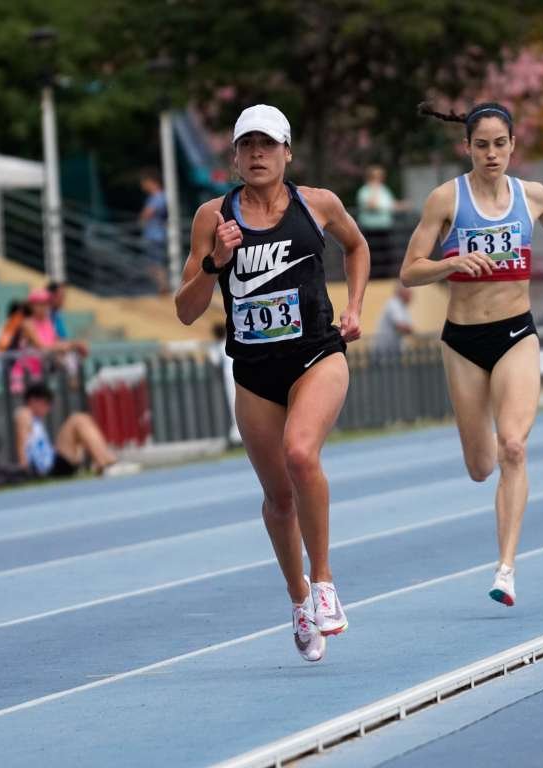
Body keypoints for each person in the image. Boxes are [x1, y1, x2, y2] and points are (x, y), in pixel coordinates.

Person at [175, 104, 370, 663]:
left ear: (287, 152)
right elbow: (186, 311)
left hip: (317, 355)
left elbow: (356, 247)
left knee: (301, 455)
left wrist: (355, 307)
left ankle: (326, 581)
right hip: (255, 372)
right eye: (247, 146)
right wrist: (215, 262)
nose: (257, 154)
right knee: (278, 499)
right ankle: (299, 599)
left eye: (268, 144)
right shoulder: (213, 216)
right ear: (234, 157)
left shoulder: (319, 204)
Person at [400, 101, 543, 607]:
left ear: (513, 145)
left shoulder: (533, 195)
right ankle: (491, 463)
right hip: (463, 341)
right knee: (481, 466)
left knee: (514, 447)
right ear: (468, 148)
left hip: (516, 333)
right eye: (482, 145)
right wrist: (450, 263)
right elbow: (412, 269)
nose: (492, 153)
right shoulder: (445, 200)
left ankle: (506, 569)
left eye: (501, 144)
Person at [14, 382, 138, 479]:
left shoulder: (36, 420)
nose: (48, 408)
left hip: (54, 462)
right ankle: (107, 463)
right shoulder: (24, 414)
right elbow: (22, 443)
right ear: (32, 401)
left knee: (84, 419)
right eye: (46, 403)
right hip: (50, 468)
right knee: (76, 420)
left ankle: (106, 461)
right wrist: (24, 471)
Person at [9, 288, 88, 393]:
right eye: (39, 304)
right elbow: (41, 346)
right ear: (31, 306)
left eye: (45, 304)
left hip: (44, 370)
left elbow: (56, 342)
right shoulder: (27, 324)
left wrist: (75, 345)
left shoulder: (48, 322)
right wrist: (68, 345)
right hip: (26, 374)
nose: (43, 307)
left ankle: (74, 385)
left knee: (71, 355)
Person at [356, 165, 409, 275]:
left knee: (386, 256)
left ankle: (385, 277)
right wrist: (374, 189)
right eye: (377, 177)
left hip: (385, 229)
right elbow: (371, 205)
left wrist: (402, 205)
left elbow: (390, 205)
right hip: (370, 230)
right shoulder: (364, 191)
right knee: (373, 257)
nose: (380, 179)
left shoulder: (384, 190)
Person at [208, 322, 242, 446]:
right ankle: (238, 434)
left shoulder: (219, 346)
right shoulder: (231, 340)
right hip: (236, 375)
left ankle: (238, 434)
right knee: (236, 404)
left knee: (234, 404)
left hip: (231, 377)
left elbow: (214, 361)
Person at [139, 169, 169, 294]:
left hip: (155, 235)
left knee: (155, 263)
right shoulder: (160, 196)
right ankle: (162, 286)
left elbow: (147, 213)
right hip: (156, 234)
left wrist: (141, 220)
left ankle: (163, 287)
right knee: (154, 263)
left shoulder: (158, 197)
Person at [374, 282, 414, 354]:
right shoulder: (394, 304)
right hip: (385, 351)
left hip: (391, 350)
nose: (411, 296)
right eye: (409, 293)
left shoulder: (402, 306)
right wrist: (414, 333)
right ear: (402, 293)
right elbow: (400, 326)